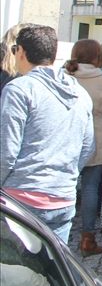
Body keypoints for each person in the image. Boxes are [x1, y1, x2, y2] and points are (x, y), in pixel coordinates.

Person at [0, 25, 94, 243]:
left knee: (14, 264)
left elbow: (7, 151)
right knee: (54, 264)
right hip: (62, 197)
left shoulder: (19, 89)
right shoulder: (80, 93)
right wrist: (64, 176)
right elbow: (88, 146)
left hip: (21, 197)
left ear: (20, 52)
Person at [64, 39, 102, 256]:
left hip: (67, 134)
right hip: (96, 136)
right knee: (90, 188)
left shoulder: (64, 76)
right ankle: (87, 238)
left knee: (65, 185)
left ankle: (59, 233)